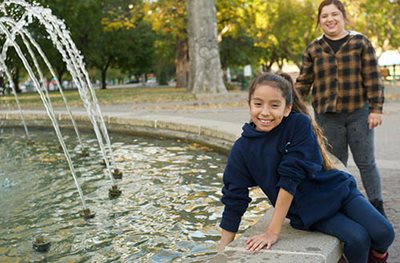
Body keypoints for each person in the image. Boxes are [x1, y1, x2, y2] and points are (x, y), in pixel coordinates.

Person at [217, 72, 394, 263]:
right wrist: (222, 253)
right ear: (249, 105)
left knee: (384, 233)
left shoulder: (298, 125)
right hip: (308, 210)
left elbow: (290, 177)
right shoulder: (242, 150)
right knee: (358, 238)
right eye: (258, 104)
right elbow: (234, 199)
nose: (265, 112)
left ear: (287, 108)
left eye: (274, 105)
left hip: (338, 191)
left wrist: (272, 232)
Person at [295, 0, 386, 216]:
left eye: (334, 14)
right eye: (324, 16)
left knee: (366, 163)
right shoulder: (313, 49)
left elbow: (372, 77)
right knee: (335, 165)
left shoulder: (360, 43)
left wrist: (376, 109)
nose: (330, 19)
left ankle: (377, 207)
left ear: (343, 17)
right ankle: (341, 205)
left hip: (359, 114)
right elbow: (303, 83)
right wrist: (289, 106)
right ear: (319, 21)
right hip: (327, 117)